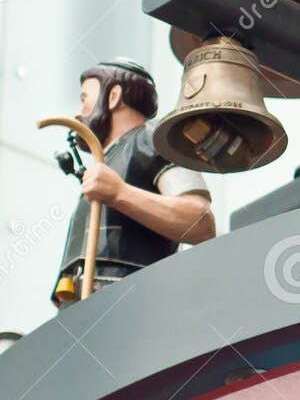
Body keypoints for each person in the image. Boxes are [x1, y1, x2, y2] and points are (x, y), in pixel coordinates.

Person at [52, 59, 216, 307]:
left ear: (114, 96)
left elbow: (199, 222)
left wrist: (119, 193)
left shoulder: (153, 139)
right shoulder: (104, 162)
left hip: (130, 302)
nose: (78, 112)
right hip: (78, 309)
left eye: (84, 98)